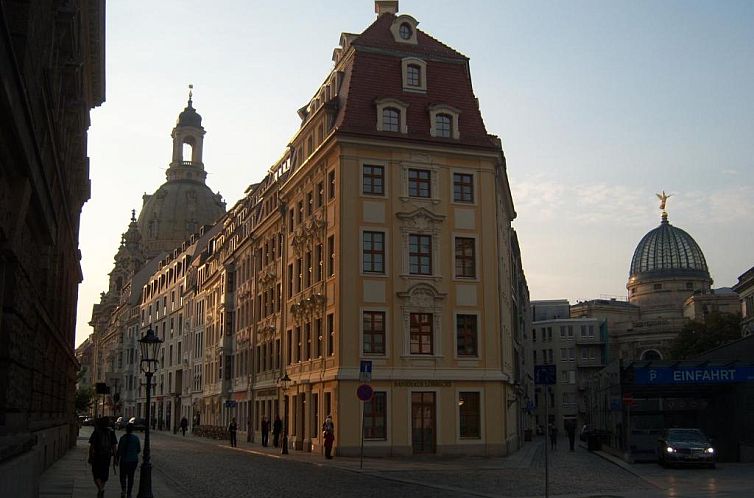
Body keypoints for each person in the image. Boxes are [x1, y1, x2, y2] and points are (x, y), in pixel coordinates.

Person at [88, 417, 117, 498]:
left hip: (97, 455)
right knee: (104, 474)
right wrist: (115, 457)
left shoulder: (96, 432)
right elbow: (114, 446)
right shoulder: (111, 432)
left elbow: (92, 445)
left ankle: (100, 489)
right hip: (107, 456)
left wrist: (90, 456)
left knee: (96, 474)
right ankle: (101, 489)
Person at [115, 423, 141, 498]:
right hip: (133, 460)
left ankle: (123, 490)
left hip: (124, 460)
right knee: (131, 476)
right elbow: (138, 450)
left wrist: (116, 459)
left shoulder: (123, 438)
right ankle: (129, 493)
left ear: (126, 429)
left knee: (122, 476)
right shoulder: (136, 438)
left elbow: (119, 450)